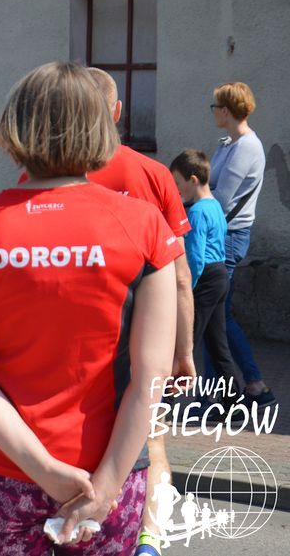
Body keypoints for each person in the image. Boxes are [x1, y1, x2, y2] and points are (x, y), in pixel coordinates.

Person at [0, 62, 179, 554]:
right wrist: (107, 484)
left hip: (3, 471)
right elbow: (152, 376)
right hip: (110, 469)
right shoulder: (144, 225)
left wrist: (43, 469)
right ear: (101, 126)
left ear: (14, 125)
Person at [79, 69, 195, 556]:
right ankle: (148, 539)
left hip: (81, 340)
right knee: (153, 442)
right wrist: (183, 352)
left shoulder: (47, 176)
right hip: (144, 336)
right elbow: (181, 277)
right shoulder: (152, 174)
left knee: (82, 441)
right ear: (117, 111)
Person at [207, 82, 273, 407]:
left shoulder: (246, 147)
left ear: (226, 111)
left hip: (229, 236)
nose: (212, 112)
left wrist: (186, 202)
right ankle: (251, 385)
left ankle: (226, 393)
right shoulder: (228, 144)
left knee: (215, 314)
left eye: (215, 106)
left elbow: (220, 199)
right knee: (216, 315)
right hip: (222, 234)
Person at [169, 150, 242, 400]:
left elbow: (196, 257)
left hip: (204, 278)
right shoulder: (215, 206)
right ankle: (233, 402)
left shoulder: (197, 212)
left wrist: (187, 289)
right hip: (219, 275)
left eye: (178, 183)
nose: (176, 190)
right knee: (217, 345)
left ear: (193, 180)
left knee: (184, 341)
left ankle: (164, 402)